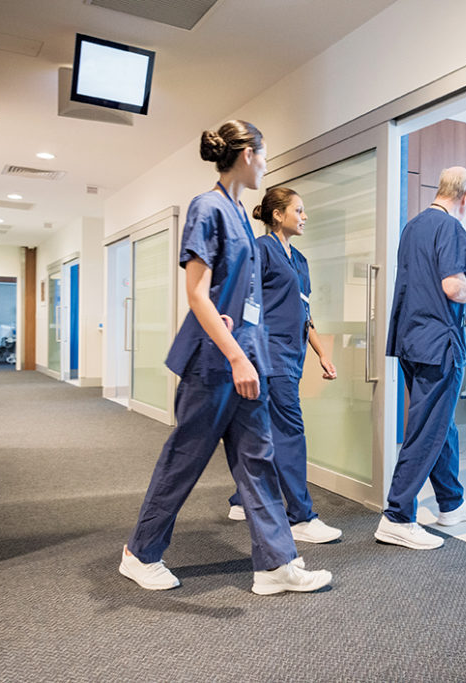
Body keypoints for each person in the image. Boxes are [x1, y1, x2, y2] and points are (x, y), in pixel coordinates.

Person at [119, 120, 332, 595]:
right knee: (185, 459)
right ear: (246, 154)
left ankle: (276, 565)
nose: (266, 164)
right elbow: (197, 293)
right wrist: (236, 357)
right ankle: (140, 552)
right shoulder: (207, 207)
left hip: (248, 358)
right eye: (263, 154)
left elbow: (241, 299)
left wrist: (250, 357)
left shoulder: (238, 211)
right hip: (215, 362)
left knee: (258, 457)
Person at [377, 167, 466, 550]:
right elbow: (453, 287)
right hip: (439, 343)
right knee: (428, 429)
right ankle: (397, 516)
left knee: (440, 423)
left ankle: (451, 503)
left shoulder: (413, 227)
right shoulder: (450, 228)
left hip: (413, 340)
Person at [226, 188, 342, 544]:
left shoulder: (301, 261)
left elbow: (305, 313)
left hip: (293, 354)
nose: (304, 217)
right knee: (289, 433)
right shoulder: (260, 251)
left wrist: (322, 352)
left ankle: (241, 499)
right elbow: (245, 302)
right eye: (299, 210)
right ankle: (300, 516)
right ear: (278, 215)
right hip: (270, 354)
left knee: (262, 430)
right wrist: (241, 354)